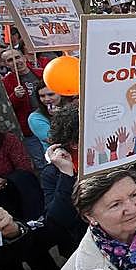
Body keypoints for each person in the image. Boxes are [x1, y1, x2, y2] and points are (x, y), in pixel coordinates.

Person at [0, 118, 58, 270]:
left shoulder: (6, 141)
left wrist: (6, 181)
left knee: (39, 259)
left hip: (18, 209)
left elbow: (25, 168)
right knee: (8, 269)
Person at [40, 103, 86, 257]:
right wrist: (66, 175)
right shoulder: (53, 173)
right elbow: (58, 220)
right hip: (82, 247)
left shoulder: (109, 158)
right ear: (74, 143)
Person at [0, 48, 45, 170]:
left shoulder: (42, 74)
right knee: (40, 161)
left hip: (49, 122)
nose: (15, 62)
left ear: (24, 58)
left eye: (17, 57)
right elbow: (6, 110)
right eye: (10, 60)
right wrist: (15, 96)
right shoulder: (5, 82)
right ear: (5, 64)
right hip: (29, 130)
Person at [28, 81, 67, 151]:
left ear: (60, 93)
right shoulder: (35, 118)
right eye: (42, 96)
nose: (47, 99)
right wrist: (57, 117)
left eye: (51, 94)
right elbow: (54, 140)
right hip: (58, 156)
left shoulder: (71, 106)